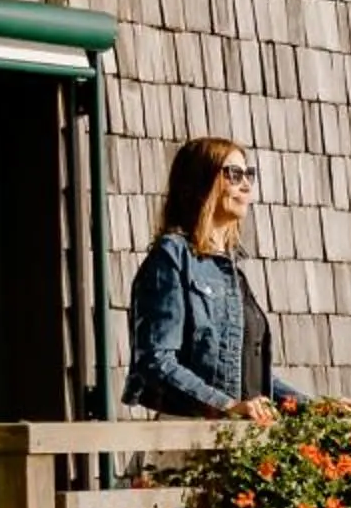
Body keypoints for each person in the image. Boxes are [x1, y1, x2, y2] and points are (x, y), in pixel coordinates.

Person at [125, 137, 303, 420]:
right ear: (200, 183)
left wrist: (316, 407)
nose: (245, 185)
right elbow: (156, 360)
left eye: (248, 175)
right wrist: (226, 405)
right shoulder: (172, 257)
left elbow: (254, 378)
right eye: (233, 174)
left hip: (237, 443)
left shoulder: (231, 271)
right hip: (189, 439)